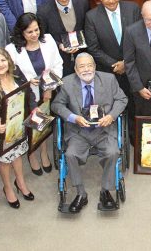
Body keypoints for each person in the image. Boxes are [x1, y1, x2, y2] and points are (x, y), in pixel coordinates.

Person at [51, 53, 126, 213]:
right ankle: (80, 193)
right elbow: (56, 105)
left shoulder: (109, 79)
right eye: (82, 66)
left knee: (113, 152)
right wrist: (74, 117)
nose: (86, 69)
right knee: (70, 154)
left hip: (104, 129)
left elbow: (122, 99)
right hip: (79, 131)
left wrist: (111, 116)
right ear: (76, 69)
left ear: (95, 66)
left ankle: (105, 191)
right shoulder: (67, 83)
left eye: (89, 65)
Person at [5, 12, 62, 174]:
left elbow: (58, 64)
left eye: (36, 30)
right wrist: (27, 82)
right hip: (26, 96)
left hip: (47, 92)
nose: (34, 34)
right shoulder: (11, 49)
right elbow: (9, 76)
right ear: (21, 32)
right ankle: (31, 154)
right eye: (29, 32)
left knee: (43, 125)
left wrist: (49, 87)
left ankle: (43, 152)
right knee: (31, 126)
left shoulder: (48, 40)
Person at [0, 48, 35, 208]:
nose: (0, 64)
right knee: (5, 160)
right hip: (1, 132)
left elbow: (27, 92)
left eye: (3, 60)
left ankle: (20, 183)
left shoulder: (16, 73)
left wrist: (33, 111)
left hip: (19, 125)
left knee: (17, 155)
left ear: (8, 60)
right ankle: (8, 188)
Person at [84, 0, 141, 138]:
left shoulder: (133, 9)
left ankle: (133, 138)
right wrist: (115, 64)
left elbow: (140, 39)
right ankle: (112, 139)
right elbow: (93, 48)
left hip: (132, 69)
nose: (111, 1)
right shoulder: (92, 16)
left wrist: (126, 63)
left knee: (133, 105)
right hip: (108, 72)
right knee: (110, 108)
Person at [37, 0, 90, 76]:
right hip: (60, 59)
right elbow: (43, 35)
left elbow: (88, 26)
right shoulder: (44, 11)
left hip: (82, 56)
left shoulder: (82, 1)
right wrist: (59, 45)